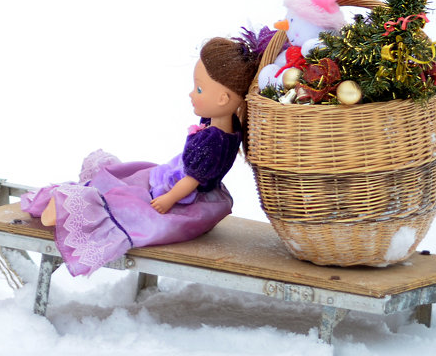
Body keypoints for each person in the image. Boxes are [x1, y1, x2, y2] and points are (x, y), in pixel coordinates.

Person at [20, 37, 259, 276]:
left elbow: (192, 180)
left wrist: (169, 199)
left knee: (132, 206)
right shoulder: (230, 127)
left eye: (198, 89)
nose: (190, 94)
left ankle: (73, 208)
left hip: (182, 193)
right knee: (128, 179)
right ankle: (77, 202)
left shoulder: (212, 142)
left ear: (222, 99)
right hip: (182, 180)